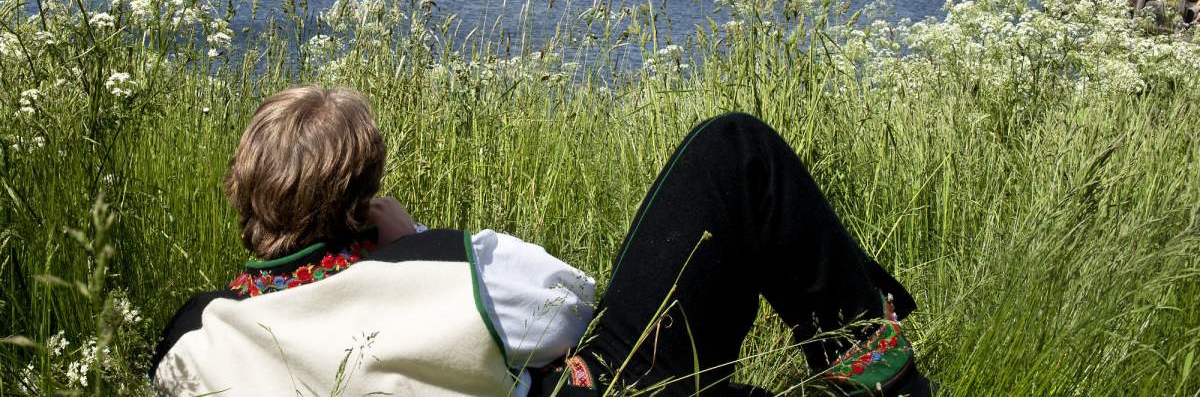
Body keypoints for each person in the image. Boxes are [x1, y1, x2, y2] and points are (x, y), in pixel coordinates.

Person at [150, 86, 934, 396]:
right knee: (734, 152)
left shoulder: (196, 332)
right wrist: (414, 236)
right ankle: (878, 365)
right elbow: (571, 305)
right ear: (361, 198)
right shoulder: (436, 267)